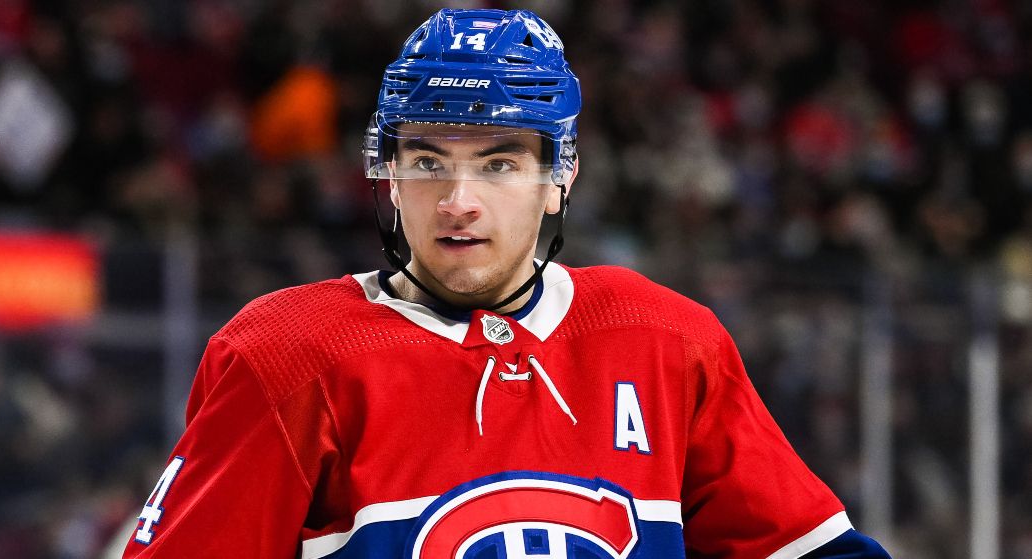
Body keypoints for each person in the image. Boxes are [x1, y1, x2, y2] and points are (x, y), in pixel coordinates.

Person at [122, 9, 892, 559]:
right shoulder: (287, 356)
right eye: (427, 161)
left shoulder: (665, 339)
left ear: (559, 178)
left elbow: (810, 549)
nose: (459, 200)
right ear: (387, 175)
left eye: (498, 163)